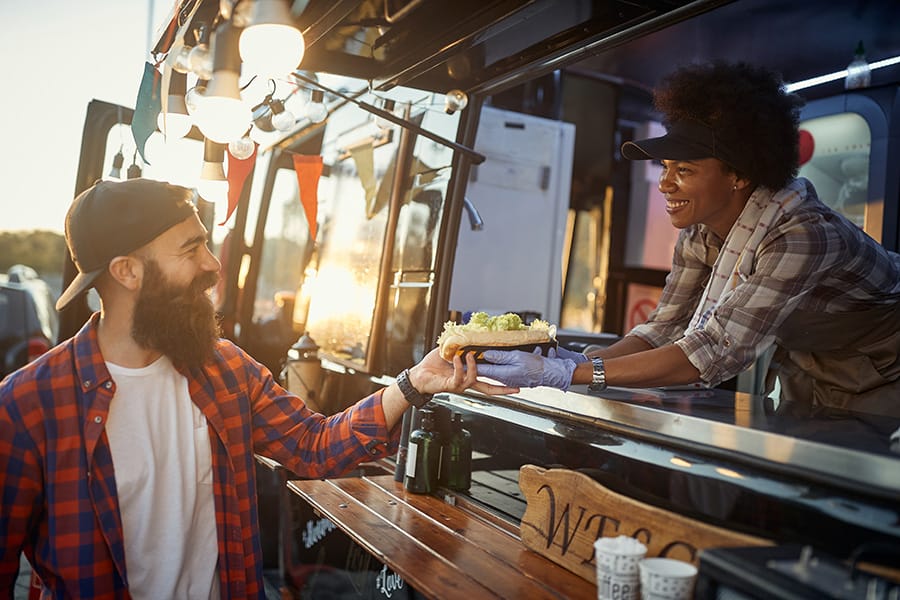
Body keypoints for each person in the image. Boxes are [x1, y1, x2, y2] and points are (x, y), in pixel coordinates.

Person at [0, 178, 516, 599]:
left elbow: (313, 446)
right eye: (191, 248)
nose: (212, 264)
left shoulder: (222, 367)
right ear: (127, 271)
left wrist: (412, 384)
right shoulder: (27, 407)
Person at [479, 61, 900, 417]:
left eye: (685, 170)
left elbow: (716, 349)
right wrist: (578, 361)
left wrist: (573, 375)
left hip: (884, 372)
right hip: (810, 367)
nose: (665, 184)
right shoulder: (699, 234)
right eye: (664, 167)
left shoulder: (802, 234)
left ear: (739, 174)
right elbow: (665, 327)